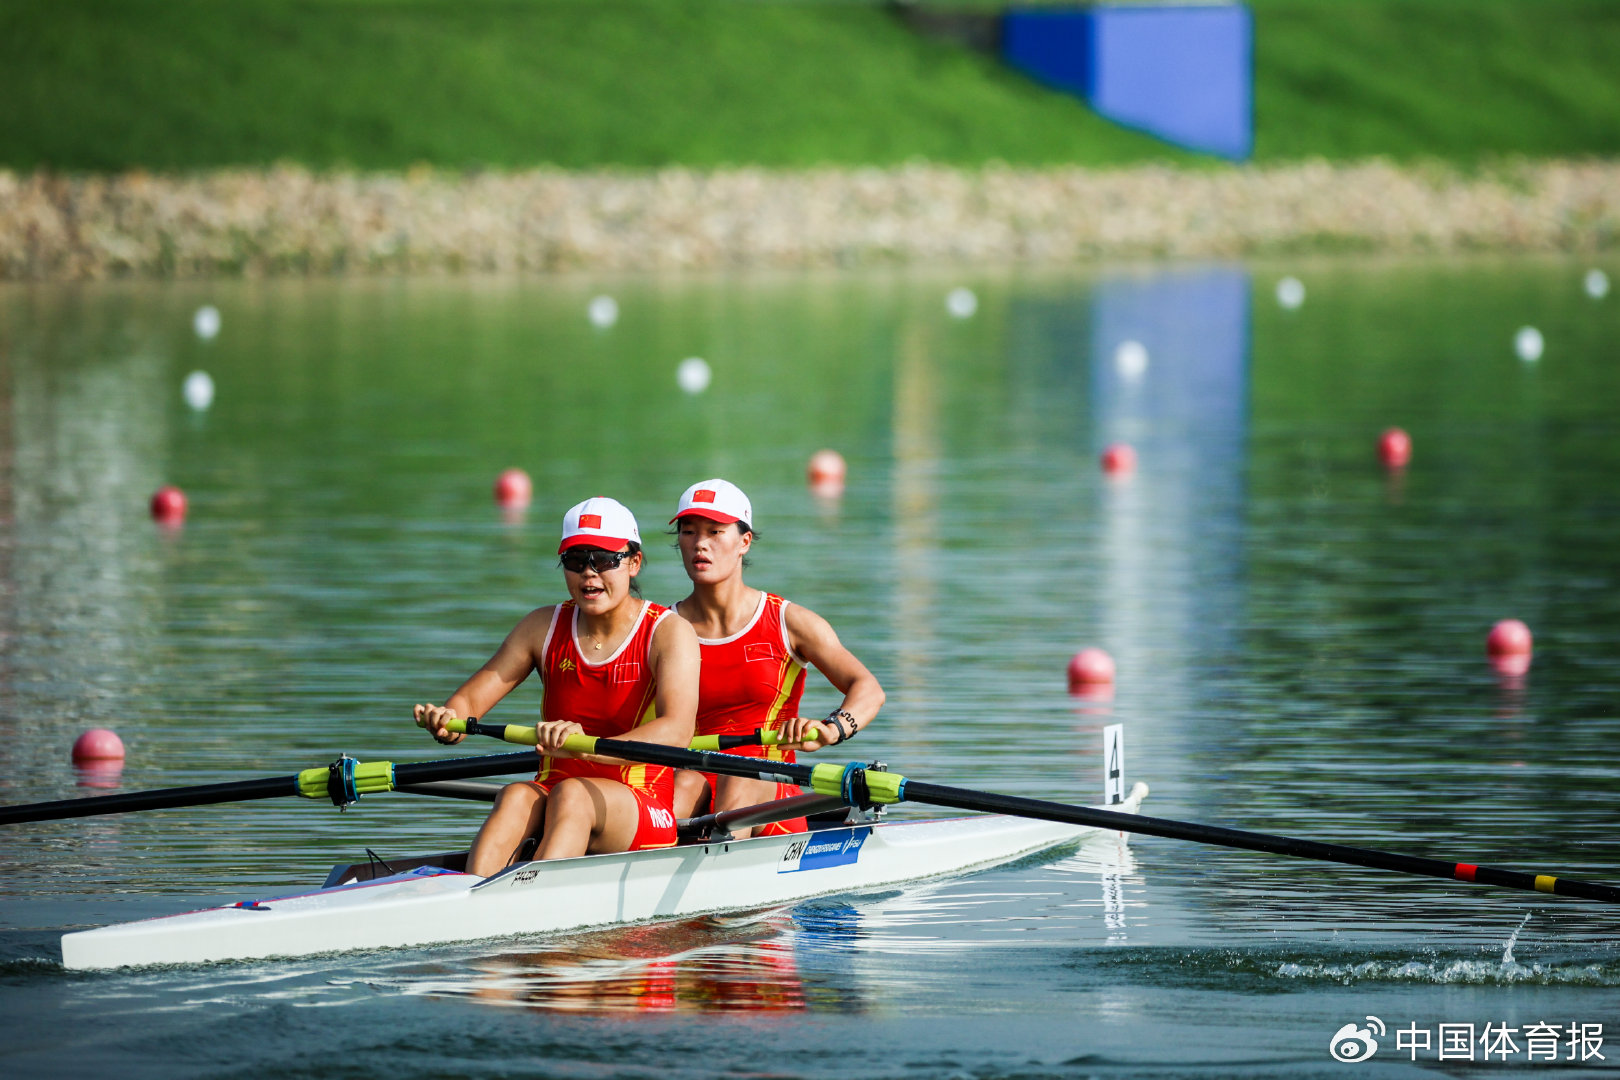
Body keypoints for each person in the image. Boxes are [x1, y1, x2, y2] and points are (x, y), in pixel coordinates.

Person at [415, 496, 700, 877]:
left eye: (603, 559)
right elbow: (471, 699)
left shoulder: (667, 632)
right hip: (556, 786)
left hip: (642, 802)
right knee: (515, 795)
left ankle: (532, 900)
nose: (588, 573)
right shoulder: (541, 627)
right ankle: (471, 897)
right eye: (575, 560)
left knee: (573, 794)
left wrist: (588, 749)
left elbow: (677, 730)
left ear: (633, 562)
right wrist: (448, 720)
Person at [668, 479, 884, 836]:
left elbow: (868, 689)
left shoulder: (789, 622)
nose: (700, 544)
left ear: (744, 542)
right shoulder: (661, 629)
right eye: (689, 532)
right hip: (690, 781)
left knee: (739, 775)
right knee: (682, 785)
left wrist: (830, 729)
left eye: (715, 531)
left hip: (768, 785)